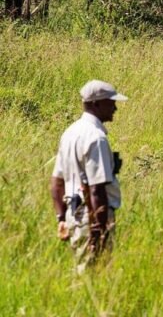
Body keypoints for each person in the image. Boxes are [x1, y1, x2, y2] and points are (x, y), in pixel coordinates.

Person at [50, 80, 127, 272]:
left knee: (83, 270)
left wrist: (61, 218)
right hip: (91, 217)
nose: (115, 108)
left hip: (73, 214)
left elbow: (57, 182)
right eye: (111, 102)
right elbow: (96, 189)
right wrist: (99, 231)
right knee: (94, 274)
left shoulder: (70, 132)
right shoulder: (96, 138)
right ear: (96, 104)